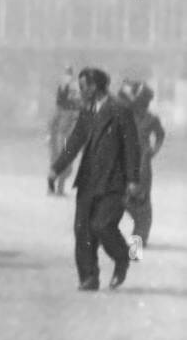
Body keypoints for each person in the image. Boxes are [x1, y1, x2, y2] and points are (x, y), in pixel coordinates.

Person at [50, 67, 140, 291]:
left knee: (102, 225)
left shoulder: (120, 110)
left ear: (96, 86)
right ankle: (89, 277)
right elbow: (74, 143)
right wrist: (56, 168)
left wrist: (133, 180)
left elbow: (131, 147)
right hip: (89, 180)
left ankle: (122, 258)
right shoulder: (87, 111)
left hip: (114, 181)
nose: (81, 91)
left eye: (84, 87)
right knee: (82, 229)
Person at [118, 79, 164, 251]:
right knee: (116, 203)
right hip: (123, 164)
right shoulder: (124, 114)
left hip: (142, 165)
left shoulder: (152, 119)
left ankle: (135, 248)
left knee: (142, 211)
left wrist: (154, 150)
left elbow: (160, 135)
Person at [48, 67, 82, 195]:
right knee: (58, 162)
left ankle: (59, 189)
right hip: (60, 141)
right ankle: (54, 189)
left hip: (66, 140)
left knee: (65, 164)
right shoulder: (60, 111)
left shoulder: (73, 111)